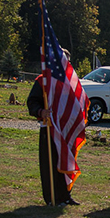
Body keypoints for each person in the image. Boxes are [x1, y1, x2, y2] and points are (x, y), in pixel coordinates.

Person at [27, 50, 79, 206]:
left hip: (66, 130)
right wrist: (41, 111)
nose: (65, 64)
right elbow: (32, 103)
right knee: (50, 163)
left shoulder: (70, 81)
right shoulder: (42, 81)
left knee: (66, 162)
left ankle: (66, 195)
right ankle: (52, 198)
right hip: (49, 128)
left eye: (68, 61)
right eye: (63, 61)